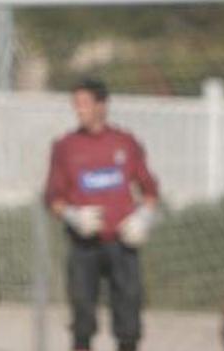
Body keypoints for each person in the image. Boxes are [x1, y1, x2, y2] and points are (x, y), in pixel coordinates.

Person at [43, 78, 159, 351]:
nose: (79, 110)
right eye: (76, 105)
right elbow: (52, 198)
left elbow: (150, 192)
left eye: (84, 104)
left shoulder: (126, 143)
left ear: (102, 105)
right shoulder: (65, 146)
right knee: (82, 319)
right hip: (84, 246)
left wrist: (143, 218)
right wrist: (73, 215)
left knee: (128, 319)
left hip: (122, 243)